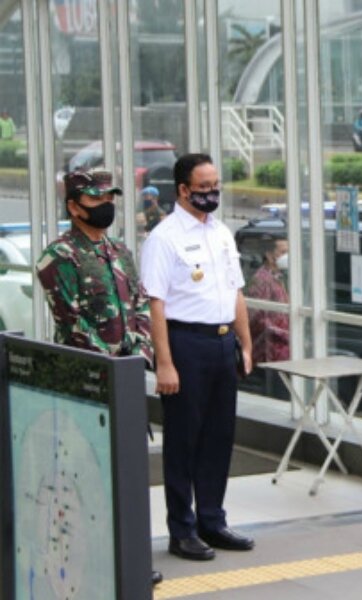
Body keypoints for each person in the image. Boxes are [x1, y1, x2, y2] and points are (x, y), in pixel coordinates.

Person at [35, 168, 163, 588]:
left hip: (127, 379)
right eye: (96, 199)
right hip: (88, 383)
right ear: (74, 207)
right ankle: (90, 561)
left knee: (128, 476)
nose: (106, 205)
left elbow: (140, 304)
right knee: (86, 476)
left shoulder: (119, 251)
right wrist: (111, 364)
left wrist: (139, 354)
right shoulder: (58, 257)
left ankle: (131, 559)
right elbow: (71, 322)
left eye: (109, 198)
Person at [140, 153, 255, 561]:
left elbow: (235, 291)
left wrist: (245, 343)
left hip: (222, 343)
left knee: (219, 438)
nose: (211, 193)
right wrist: (164, 362)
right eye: (203, 187)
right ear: (183, 190)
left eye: (215, 186)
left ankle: (212, 520)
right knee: (183, 442)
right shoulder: (164, 237)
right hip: (185, 344)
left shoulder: (221, 232)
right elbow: (155, 304)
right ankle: (182, 529)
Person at [244, 233, 290, 399]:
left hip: (284, 347)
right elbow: (257, 318)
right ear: (270, 255)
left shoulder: (279, 277)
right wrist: (283, 333)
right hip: (271, 350)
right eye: (283, 252)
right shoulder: (262, 280)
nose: (287, 256)